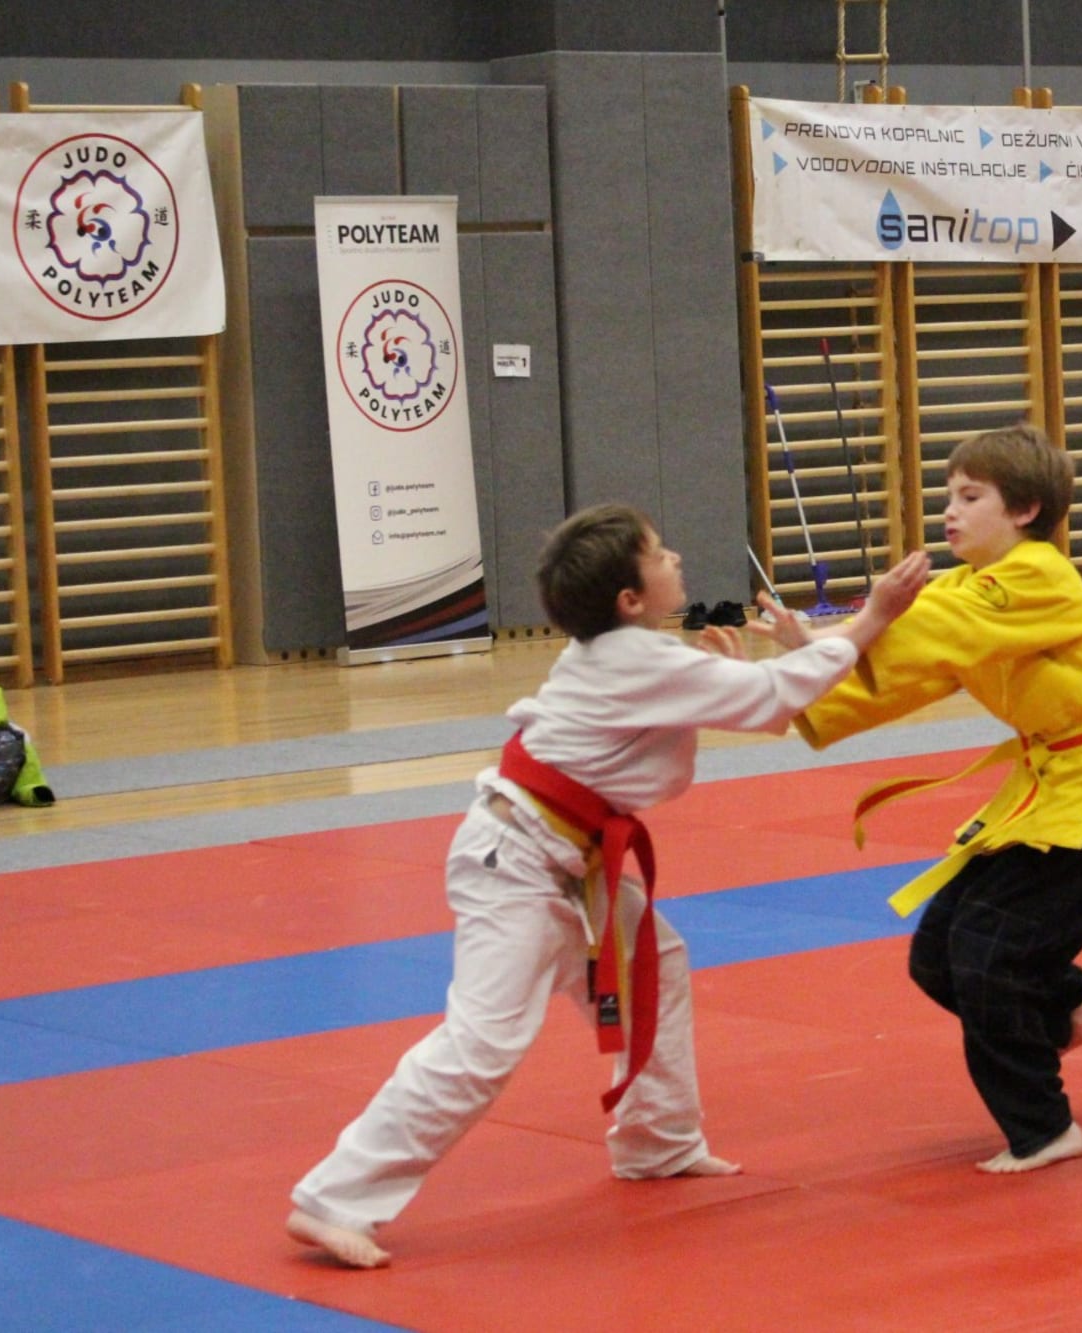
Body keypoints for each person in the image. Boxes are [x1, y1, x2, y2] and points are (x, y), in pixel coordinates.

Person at [286, 504, 929, 1269]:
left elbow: (758, 704)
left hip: (565, 859)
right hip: (518, 862)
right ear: (629, 597)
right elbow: (774, 696)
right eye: (659, 552)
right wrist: (875, 614)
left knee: (657, 962)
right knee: (482, 1043)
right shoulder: (635, 658)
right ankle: (332, 1199)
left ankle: (658, 1141)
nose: (675, 556)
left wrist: (734, 676)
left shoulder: (627, 652)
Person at [783, 424, 1082, 1174]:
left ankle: (1044, 1127)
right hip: (1043, 792)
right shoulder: (964, 589)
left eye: (970, 496)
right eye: (948, 494)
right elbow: (910, 672)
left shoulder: (1041, 575)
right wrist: (807, 666)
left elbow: (925, 632)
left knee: (987, 956)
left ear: (1023, 509)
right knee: (937, 957)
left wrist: (849, 631)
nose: (949, 510)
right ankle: (1060, 1011)